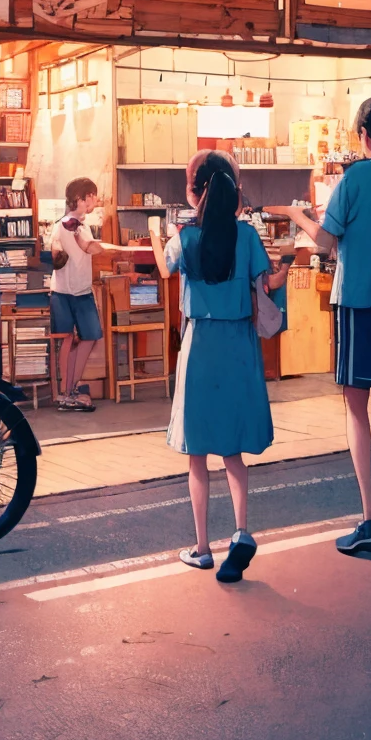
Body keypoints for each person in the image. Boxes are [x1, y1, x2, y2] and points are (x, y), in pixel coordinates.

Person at [272, 94, 371, 556]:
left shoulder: (354, 178)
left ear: (363, 134)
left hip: (359, 303)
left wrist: (296, 214)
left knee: (356, 410)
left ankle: (369, 519)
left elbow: (324, 242)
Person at [149, 151, 290, 583]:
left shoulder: (185, 237)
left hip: (201, 344)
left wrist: (157, 234)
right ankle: (242, 530)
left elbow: (163, 267)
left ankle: (202, 548)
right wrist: (286, 264)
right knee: (233, 453)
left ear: (195, 192)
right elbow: (266, 283)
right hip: (239, 346)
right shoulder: (246, 237)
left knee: (197, 455)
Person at [50, 176, 110, 411]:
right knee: (88, 336)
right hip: (78, 292)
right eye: (92, 196)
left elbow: (55, 253)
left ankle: (67, 392)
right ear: (81, 199)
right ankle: (70, 391)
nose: (95, 200)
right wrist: (112, 250)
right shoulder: (76, 225)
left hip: (61, 290)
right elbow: (90, 247)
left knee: (70, 341)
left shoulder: (60, 224)